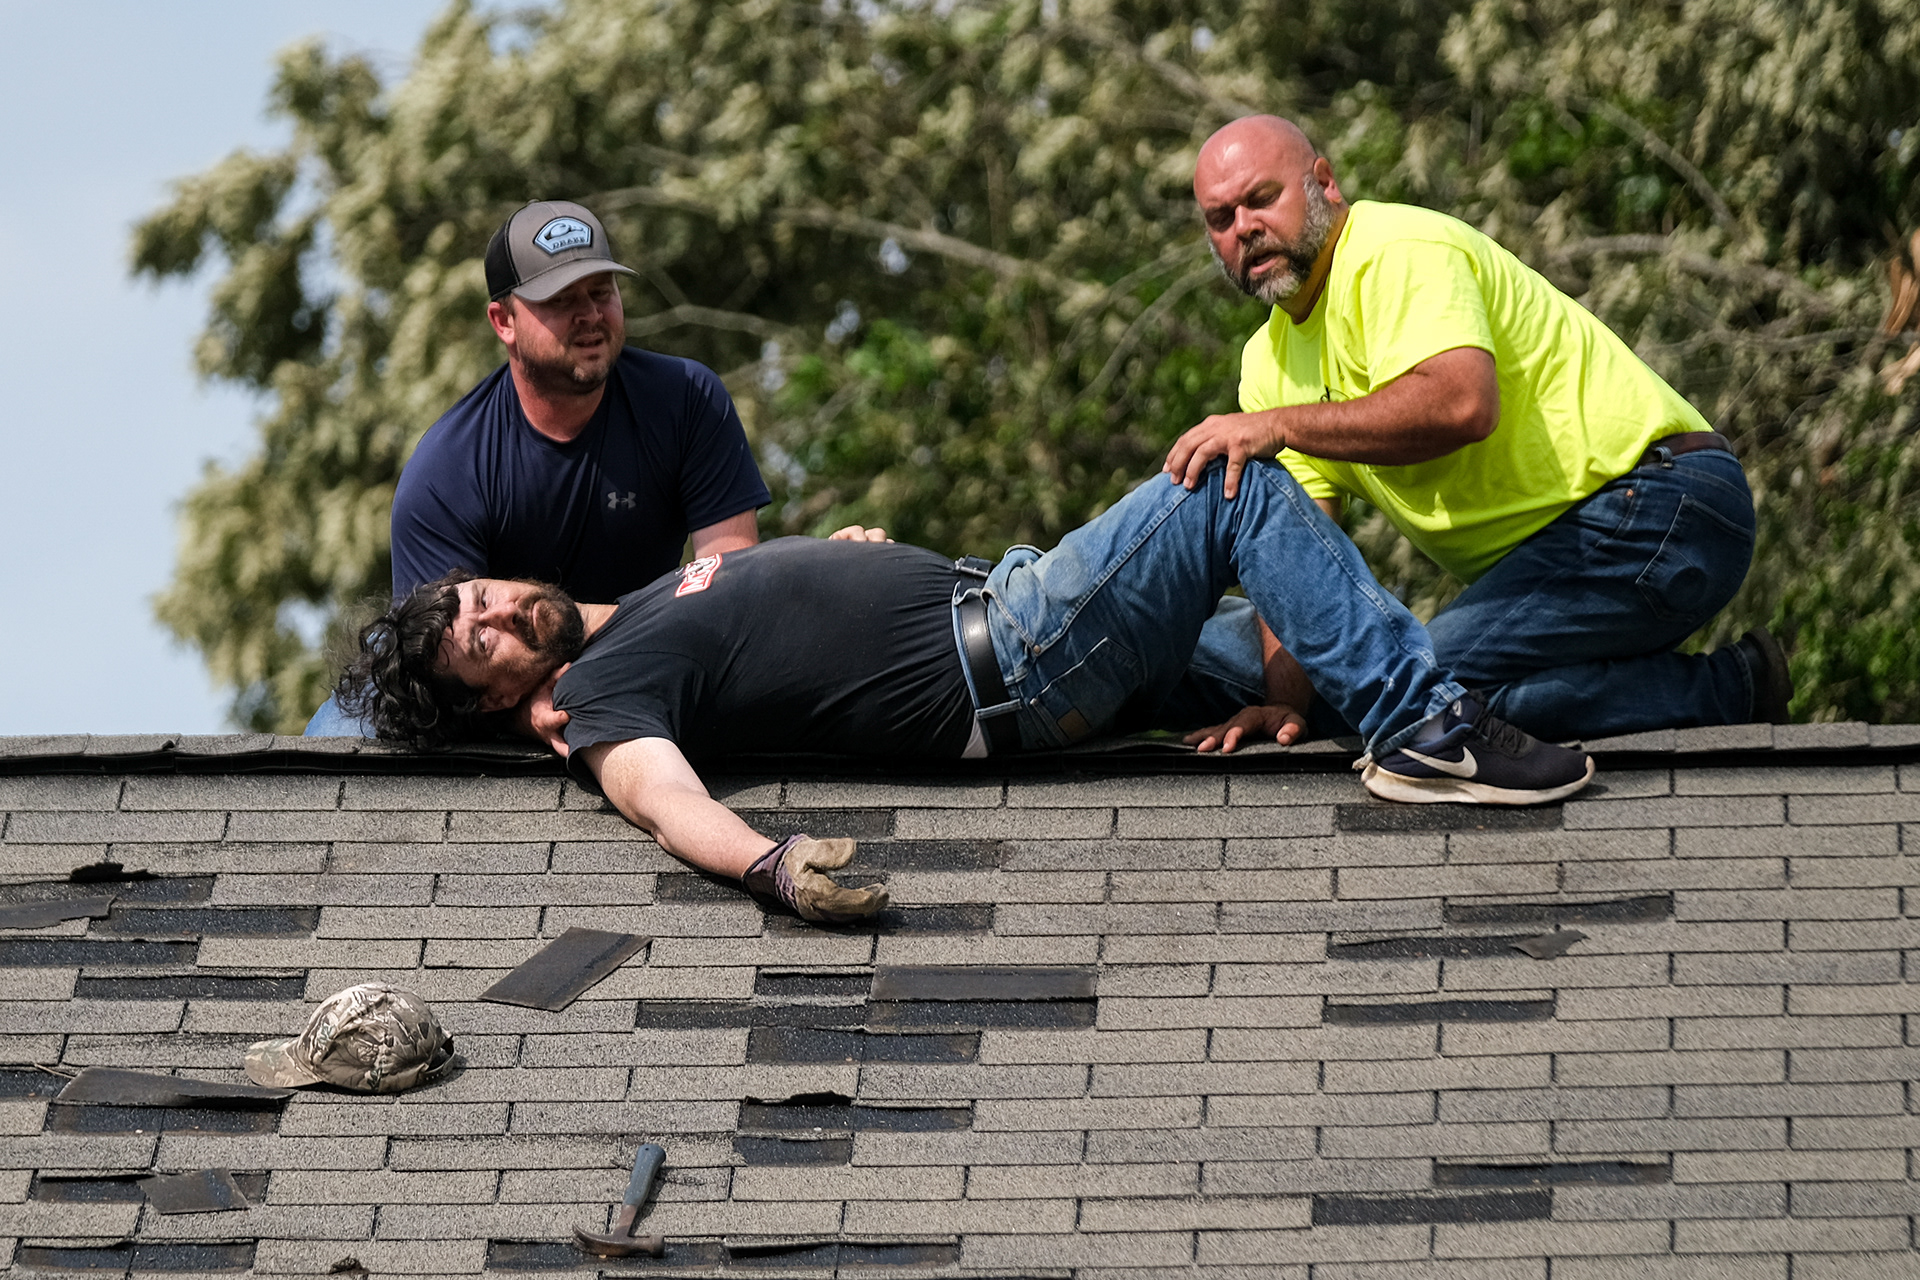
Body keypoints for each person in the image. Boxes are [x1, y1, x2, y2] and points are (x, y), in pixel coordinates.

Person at [336, 458, 1596, 924]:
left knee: (1345, 648)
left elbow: (780, 632)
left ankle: (1690, 681)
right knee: (1232, 479)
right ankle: (1429, 739)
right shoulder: (598, 705)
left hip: (1014, 618)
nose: (497, 613)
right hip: (1021, 653)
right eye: (479, 644)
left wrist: (826, 565)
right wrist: (772, 867)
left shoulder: (649, 604)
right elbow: (661, 798)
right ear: (503, 702)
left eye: (483, 598)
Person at [1164, 115, 1787, 745]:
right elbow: (1296, 555)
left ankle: (1725, 693)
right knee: (1403, 704)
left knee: (1406, 689)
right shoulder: (1265, 366)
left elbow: (1462, 404)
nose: (1245, 227)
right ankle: (1741, 683)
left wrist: (1278, 427)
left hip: (1663, 504)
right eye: (1222, 218)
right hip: (1576, 548)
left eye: (1262, 198)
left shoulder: (1394, 250)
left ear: (1324, 184)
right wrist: (1286, 705)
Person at [306, 198, 778, 737]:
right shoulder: (445, 474)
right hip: (501, 695)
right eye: (560, 300)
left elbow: (736, 598)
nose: (591, 315)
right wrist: (520, 717)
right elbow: (442, 677)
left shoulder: (688, 399)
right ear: (502, 321)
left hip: (658, 660)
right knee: (345, 733)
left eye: (602, 291)